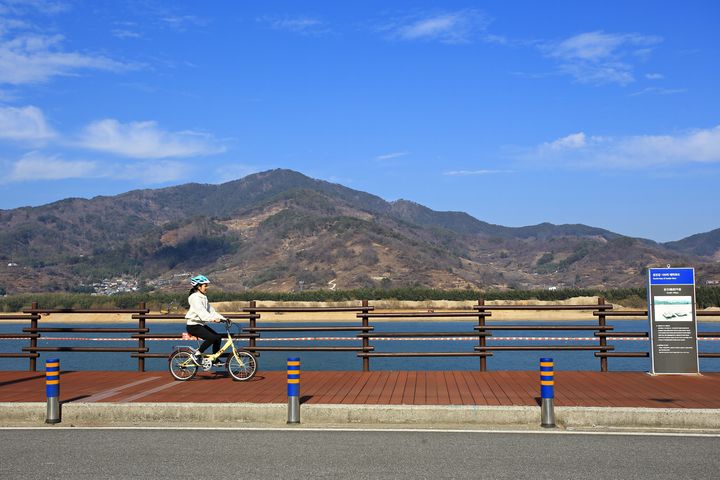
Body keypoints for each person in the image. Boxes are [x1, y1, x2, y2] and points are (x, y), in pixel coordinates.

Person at [185, 274, 226, 366]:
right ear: (199, 287)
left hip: (199, 325)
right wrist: (213, 319)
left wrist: (224, 319)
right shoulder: (195, 298)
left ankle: (215, 359)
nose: (207, 287)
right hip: (193, 325)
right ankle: (197, 354)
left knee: (218, 337)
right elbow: (202, 313)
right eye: (205, 285)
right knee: (212, 338)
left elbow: (211, 311)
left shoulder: (203, 297)